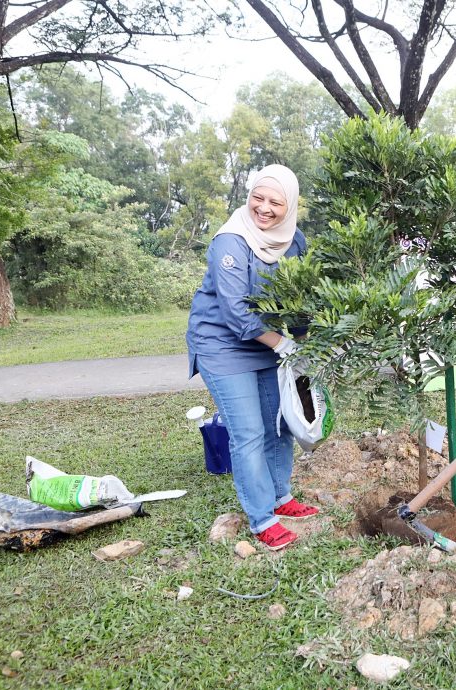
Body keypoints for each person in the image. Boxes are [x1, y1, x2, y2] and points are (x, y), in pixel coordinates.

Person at [186, 164, 320, 551]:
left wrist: (304, 344)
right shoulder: (230, 241)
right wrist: (281, 344)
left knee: (277, 425)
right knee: (247, 432)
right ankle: (262, 518)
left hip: (270, 342)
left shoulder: (295, 242)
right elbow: (233, 312)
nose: (263, 208)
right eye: (257, 197)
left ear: (290, 205)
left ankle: (282, 497)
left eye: (275, 202)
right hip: (223, 344)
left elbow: (300, 300)